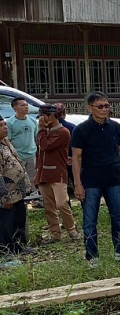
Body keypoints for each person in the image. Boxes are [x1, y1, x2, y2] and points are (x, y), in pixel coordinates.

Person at [71, 91, 120, 267]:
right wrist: (77, 184)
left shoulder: (115, 127)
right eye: (100, 106)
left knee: (119, 217)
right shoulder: (81, 129)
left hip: (114, 179)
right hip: (90, 181)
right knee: (90, 220)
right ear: (90, 108)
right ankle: (92, 256)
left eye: (107, 106)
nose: (104, 109)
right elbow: (76, 158)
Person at [34, 104, 77, 242]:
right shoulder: (44, 131)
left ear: (51, 116)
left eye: (43, 116)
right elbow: (39, 151)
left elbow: (46, 146)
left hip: (57, 172)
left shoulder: (63, 132)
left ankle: (72, 230)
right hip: (43, 173)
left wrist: (41, 129)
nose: (41, 120)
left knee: (61, 203)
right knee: (49, 206)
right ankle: (55, 233)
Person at [0, 116, 29, 256]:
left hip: (17, 192)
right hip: (6, 195)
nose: (5, 127)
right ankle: (6, 252)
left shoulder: (6, 142)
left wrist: (25, 187)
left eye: (5, 124)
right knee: (6, 225)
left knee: (19, 220)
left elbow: (17, 163)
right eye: (1, 126)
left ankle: (20, 247)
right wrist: (4, 197)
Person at [7, 97, 38, 194]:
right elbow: (8, 141)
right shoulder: (10, 123)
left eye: (26, 105)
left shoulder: (33, 121)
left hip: (31, 155)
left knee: (33, 178)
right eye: (22, 105)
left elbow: (36, 138)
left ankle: (34, 197)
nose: (26, 107)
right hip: (17, 156)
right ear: (15, 108)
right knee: (18, 178)